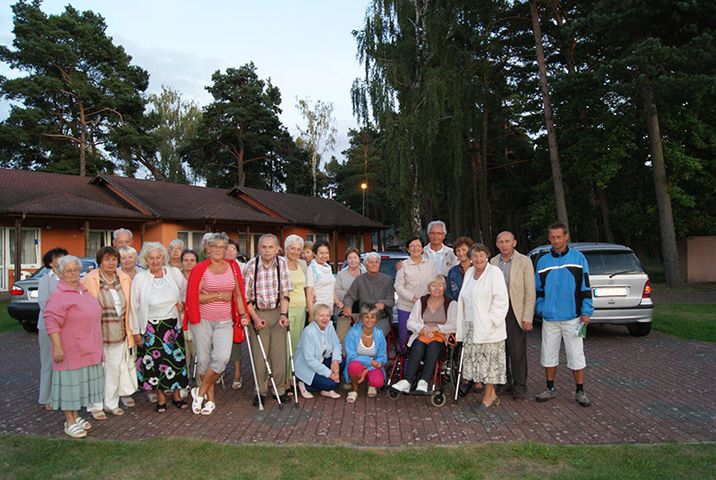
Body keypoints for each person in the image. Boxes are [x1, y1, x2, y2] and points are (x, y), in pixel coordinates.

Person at [184, 233, 249, 415]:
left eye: (222, 247)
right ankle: (210, 400)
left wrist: (243, 314)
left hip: (225, 321)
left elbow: (238, 293)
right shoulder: (200, 269)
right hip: (203, 321)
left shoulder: (233, 267)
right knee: (204, 362)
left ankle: (199, 392)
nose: (219, 250)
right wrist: (218, 295)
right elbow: (194, 298)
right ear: (208, 248)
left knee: (222, 359)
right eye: (215, 246)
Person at [44, 255, 104, 438]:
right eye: (68, 270)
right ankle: (69, 421)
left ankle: (76, 417)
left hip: (87, 347)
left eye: (76, 269)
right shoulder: (59, 295)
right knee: (70, 386)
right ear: (61, 273)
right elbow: (51, 321)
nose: (73, 273)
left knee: (79, 386)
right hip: (70, 350)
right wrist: (58, 347)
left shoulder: (83, 290)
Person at [534, 223, 593, 407]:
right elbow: (538, 289)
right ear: (549, 238)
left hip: (572, 317)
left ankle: (580, 391)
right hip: (550, 318)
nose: (556, 240)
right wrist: (541, 308)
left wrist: (586, 311)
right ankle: (550, 388)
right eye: (552, 237)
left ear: (566, 236)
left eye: (559, 237)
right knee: (548, 354)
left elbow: (585, 286)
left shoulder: (578, 258)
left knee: (576, 354)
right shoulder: (543, 261)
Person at [130, 242, 188, 412]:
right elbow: (134, 306)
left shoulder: (174, 273)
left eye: (158, 257)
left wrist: (182, 304)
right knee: (156, 364)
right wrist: (136, 332)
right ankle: (161, 398)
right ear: (145, 260)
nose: (155, 261)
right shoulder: (140, 278)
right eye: (151, 258)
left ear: (163, 258)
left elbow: (186, 291)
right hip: (151, 328)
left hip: (172, 325)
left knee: (176, 363)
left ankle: (177, 396)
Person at [82, 246, 135, 419]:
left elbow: (130, 306)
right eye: (107, 259)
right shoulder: (90, 279)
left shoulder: (124, 278)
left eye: (114, 259)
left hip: (119, 332)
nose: (111, 263)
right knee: (96, 370)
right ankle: (95, 405)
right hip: (96, 333)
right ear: (100, 261)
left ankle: (111, 403)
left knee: (114, 369)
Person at [456, 243, 509, 411]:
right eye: (474, 256)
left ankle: (487, 398)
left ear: (487, 256)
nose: (478, 259)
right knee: (477, 364)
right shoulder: (469, 272)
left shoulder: (494, 273)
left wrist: (492, 321)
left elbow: (501, 300)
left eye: (481, 255)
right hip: (471, 326)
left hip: (489, 328)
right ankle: (492, 396)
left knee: (490, 364)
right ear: (470, 258)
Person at [243, 233, 292, 407]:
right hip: (258, 313)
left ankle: (279, 389)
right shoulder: (251, 266)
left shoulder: (282, 263)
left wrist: (284, 315)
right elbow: (246, 297)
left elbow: (285, 291)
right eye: (263, 247)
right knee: (260, 356)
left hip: (278, 312)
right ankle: (260, 391)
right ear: (259, 248)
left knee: (279, 355)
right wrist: (255, 319)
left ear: (277, 248)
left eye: (271, 247)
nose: (267, 250)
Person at [391, 275, 457, 394]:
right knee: (418, 345)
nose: (437, 288)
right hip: (422, 335)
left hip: (440, 338)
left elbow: (455, 325)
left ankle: (424, 381)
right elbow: (410, 322)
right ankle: (407, 381)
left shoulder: (451, 304)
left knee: (434, 346)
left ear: (444, 287)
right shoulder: (421, 302)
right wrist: (423, 328)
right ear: (429, 288)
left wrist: (437, 328)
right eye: (433, 285)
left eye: (440, 285)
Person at [490, 231, 536, 400]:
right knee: (499, 349)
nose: (504, 245)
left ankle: (519, 385)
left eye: (507, 241)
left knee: (517, 351)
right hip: (497, 311)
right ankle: (504, 382)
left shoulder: (524, 261)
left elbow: (530, 291)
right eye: (501, 242)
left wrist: (527, 317)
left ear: (514, 243)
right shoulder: (493, 262)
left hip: (515, 311)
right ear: (497, 244)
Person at [37, 247, 68, 411]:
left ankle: (62, 395)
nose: (61, 260)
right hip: (48, 327)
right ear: (50, 262)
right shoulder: (45, 280)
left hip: (67, 327)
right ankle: (46, 397)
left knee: (64, 363)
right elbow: (44, 305)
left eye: (63, 257)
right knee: (48, 362)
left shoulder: (68, 278)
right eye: (58, 257)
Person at [394, 237, 436, 350]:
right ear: (408, 249)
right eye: (412, 246)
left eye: (418, 246)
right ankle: (404, 358)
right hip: (406, 306)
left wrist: (429, 298)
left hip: (426, 306)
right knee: (405, 336)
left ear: (422, 248)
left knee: (424, 335)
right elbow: (398, 286)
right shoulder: (403, 265)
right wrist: (412, 298)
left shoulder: (430, 263)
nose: (415, 248)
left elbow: (434, 282)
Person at [294, 304, 342, 399]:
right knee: (332, 384)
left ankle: (323, 388)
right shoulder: (309, 332)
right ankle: (304, 384)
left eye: (327, 315)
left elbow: (336, 344)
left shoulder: (329, 326)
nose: (325, 319)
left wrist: (335, 361)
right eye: (321, 315)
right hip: (307, 366)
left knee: (342, 362)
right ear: (315, 317)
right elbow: (310, 360)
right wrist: (330, 374)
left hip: (322, 360)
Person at [342, 252, 395, 338]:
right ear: (366, 265)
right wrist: (348, 306)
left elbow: (391, 300)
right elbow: (350, 296)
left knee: (374, 335)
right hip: (364, 316)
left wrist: (383, 303)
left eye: (376, 262)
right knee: (356, 335)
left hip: (381, 317)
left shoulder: (387, 280)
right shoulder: (360, 280)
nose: (374, 264)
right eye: (371, 262)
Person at [343, 304, 387, 402]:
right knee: (354, 366)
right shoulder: (353, 332)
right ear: (362, 318)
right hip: (358, 363)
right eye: (366, 317)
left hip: (373, 366)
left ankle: (371, 383)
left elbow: (382, 357)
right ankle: (354, 390)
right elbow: (351, 356)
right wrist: (370, 362)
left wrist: (368, 369)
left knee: (378, 382)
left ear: (376, 319)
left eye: (372, 317)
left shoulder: (379, 334)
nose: (369, 320)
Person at [334, 247, 365, 348]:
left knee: (360, 339)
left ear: (359, 259)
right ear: (346, 260)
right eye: (350, 258)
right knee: (342, 338)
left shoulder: (365, 273)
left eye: (355, 257)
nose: (353, 260)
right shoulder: (341, 274)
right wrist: (351, 293)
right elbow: (337, 291)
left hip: (362, 312)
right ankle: (343, 356)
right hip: (345, 311)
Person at [226, 238, 245, 390]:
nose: (230, 251)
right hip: (221, 308)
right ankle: (218, 371)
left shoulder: (242, 267)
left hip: (236, 309)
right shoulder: (218, 266)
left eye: (233, 249)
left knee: (235, 342)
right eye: (228, 248)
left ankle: (237, 373)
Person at [284, 235, 308, 355]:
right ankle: (286, 367)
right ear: (286, 249)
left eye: (298, 249)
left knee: (298, 342)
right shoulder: (281, 264)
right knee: (286, 342)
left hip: (301, 309)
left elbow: (306, 287)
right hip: (288, 309)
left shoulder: (303, 264)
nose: (296, 252)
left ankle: (295, 366)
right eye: (292, 248)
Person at [180, 249, 200, 387]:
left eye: (192, 260)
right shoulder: (176, 278)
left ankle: (201, 385)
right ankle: (184, 384)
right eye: (186, 260)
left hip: (197, 321)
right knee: (183, 356)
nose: (189, 263)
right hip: (180, 321)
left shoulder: (201, 278)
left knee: (199, 355)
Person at [306, 240, 337, 317]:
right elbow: (309, 293)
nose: (324, 255)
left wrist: (337, 301)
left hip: (329, 310)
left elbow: (331, 288)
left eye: (326, 253)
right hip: (317, 311)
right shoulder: (311, 268)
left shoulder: (328, 267)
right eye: (321, 253)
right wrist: (311, 314)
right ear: (314, 254)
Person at [446, 236, 474, 301]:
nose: (461, 253)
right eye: (458, 250)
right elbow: (448, 293)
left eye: (464, 250)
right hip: (457, 305)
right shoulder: (452, 272)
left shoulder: (478, 269)